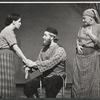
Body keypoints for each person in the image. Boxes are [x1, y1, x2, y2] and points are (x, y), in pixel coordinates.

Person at [23, 27, 67, 98]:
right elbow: (39, 63)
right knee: (28, 87)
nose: (43, 37)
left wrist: (34, 64)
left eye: (45, 35)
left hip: (57, 77)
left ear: (52, 37)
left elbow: (50, 63)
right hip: (46, 77)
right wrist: (30, 67)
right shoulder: (43, 49)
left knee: (51, 86)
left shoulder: (60, 50)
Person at [0, 13, 34, 98]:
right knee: (6, 81)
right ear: (13, 21)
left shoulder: (8, 31)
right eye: (19, 21)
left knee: (8, 80)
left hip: (6, 57)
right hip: (4, 57)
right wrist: (26, 60)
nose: (20, 23)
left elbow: (14, 49)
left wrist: (23, 60)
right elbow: (15, 48)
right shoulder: (8, 31)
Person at [72, 8, 100, 98]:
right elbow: (77, 38)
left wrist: (90, 34)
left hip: (92, 59)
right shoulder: (82, 27)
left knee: (91, 83)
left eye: (84, 18)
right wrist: (78, 45)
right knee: (78, 83)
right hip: (79, 60)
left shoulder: (99, 27)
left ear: (91, 18)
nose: (83, 20)